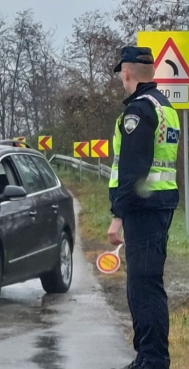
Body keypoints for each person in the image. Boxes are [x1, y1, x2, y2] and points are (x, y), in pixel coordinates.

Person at [107, 46, 180, 369]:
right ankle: (148, 356)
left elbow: (133, 171)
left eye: (120, 74)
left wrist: (117, 217)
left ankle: (152, 360)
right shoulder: (165, 107)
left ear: (126, 72)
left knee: (144, 286)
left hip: (143, 210)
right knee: (147, 283)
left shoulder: (138, 111)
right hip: (160, 205)